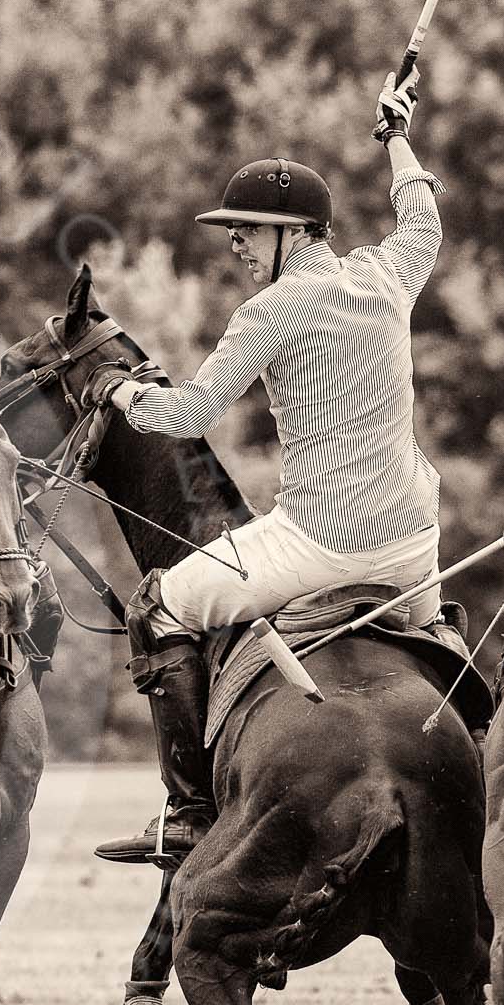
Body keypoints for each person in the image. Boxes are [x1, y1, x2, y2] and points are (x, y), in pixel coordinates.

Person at [87, 68, 445, 867]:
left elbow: (184, 416)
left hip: (320, 542)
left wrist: (115, 393)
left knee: (162, 605)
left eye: (247, 229)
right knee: (443, 667)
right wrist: (398, 137)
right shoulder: (390, 274)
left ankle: (187, 813)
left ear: (294, 234)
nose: (235, 244)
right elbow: (423, 220)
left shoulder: (272, 309)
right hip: (416, 552)